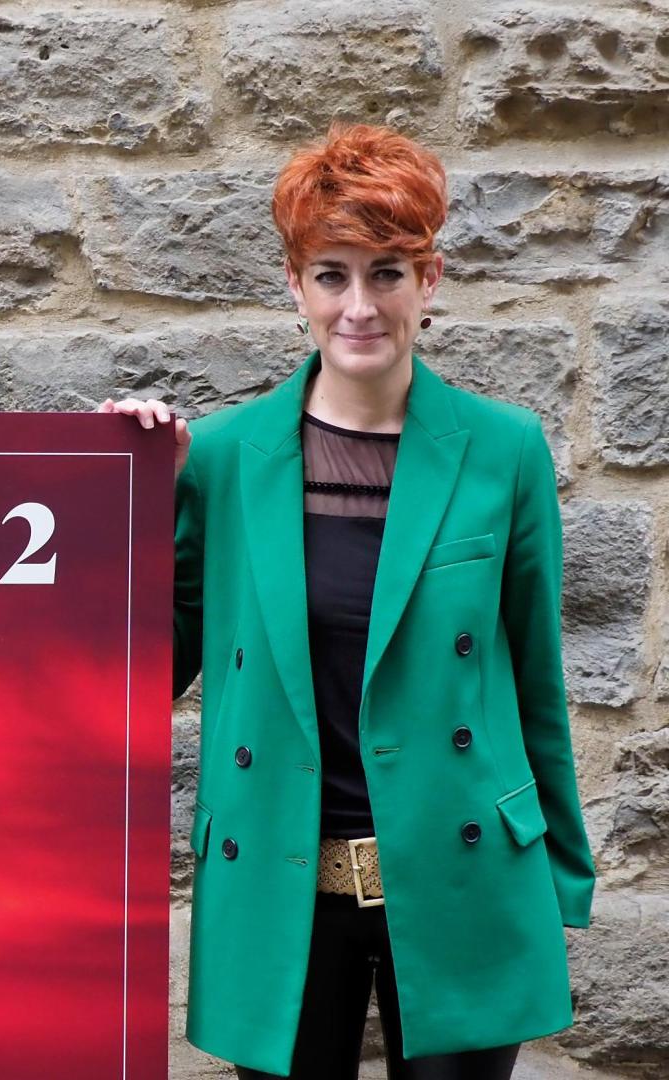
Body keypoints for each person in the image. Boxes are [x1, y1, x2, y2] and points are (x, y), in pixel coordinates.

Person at [101, 123, 594, 1079]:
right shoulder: (222, 459)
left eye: (387, 274)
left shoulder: (504, 450)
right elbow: (146, 673)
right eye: (332, 275)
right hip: (276, 875)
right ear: (296, 286)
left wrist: (563, 875)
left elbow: (537, 682)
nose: (359, 306)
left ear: (430, 280)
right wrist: (128, 505)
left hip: (462, 873)